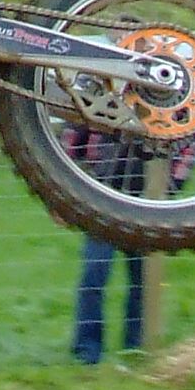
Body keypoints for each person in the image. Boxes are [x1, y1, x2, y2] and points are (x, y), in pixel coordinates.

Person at [69, 129, 158, 363]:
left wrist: (169, 188)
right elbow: (71, 142)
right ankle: (87, 351)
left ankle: (135, 347)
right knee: (93, 276)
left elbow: (184, 148)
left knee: (143, 280)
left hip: (146, 204)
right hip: (102, 202)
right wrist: (63, 193)